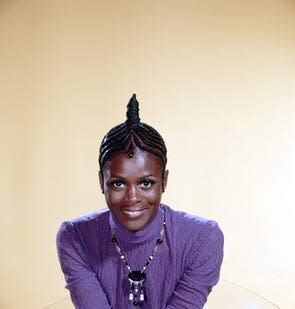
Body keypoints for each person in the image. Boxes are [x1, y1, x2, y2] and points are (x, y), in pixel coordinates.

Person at [56, 94, 224, 309]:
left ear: (164, 180)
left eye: (145, 183)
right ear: (101, 181)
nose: (132, 198)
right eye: (118, 184)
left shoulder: (202, 240)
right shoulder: (75, 238)